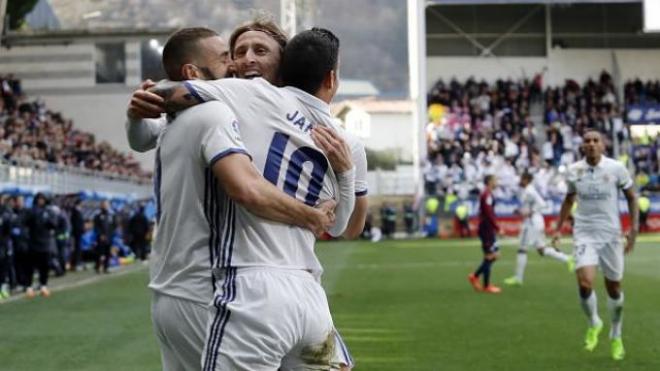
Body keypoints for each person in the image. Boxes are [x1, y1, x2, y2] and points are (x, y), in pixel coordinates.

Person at [128, 27, 344, 371]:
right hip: (213, 288)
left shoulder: (175, 121)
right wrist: (312, 216)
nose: (238, 63)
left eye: (260, 51)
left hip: (169, 288)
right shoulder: (217, 114)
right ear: (193, 73)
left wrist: (136, 112)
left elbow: (140, 136)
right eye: (229, 55)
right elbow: (247, 189)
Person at [552, 130, 638, 361]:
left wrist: (634, 230)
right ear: (582, 146)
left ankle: (616, 333)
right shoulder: (574, 171)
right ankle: (594, 323)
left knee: (614, 289)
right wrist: (559, 228)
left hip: (611, 235)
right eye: (587, 141)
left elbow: (631, 197)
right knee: (585, 283)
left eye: (595, 140)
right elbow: (569, 199)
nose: (591, 144)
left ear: (603, 145)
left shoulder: (616, 168)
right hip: (584, 233)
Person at [504, 172, 574, 286]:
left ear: (526, 180)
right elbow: (530, 206)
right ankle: (568, 259)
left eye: (521, 179)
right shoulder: (527, 190)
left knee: (522, 249)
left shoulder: (530, 191)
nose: (519, 181)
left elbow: (543, 204)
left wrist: (530, 212)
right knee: (541, 250)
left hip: (532, 223)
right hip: (535, 222)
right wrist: (521, 211)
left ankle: (518, 278)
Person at [468, 175, 502, 294]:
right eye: (495, 180)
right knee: (490, 256)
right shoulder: (486, 194)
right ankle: (484, 283)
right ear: (489, 182)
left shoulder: (487, 194)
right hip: (486, 229)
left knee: (495, 255)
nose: (497, 182)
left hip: (488, 228)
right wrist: (496, 227)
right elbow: (488, 213)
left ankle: (477, 278)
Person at [24, 193, 56, 298]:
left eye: (42, 199)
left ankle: (43, 286)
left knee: (44, 266)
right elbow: (24, 223)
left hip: (45, 243)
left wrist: (47, 220)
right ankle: (29, 287)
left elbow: (54, 224)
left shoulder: (49, 211)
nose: (41, 201)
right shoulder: (31, 211)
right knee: (30, 266)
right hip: (33, 242)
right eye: (39, 199)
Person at [9, 196, 29, 290]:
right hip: (15, 242)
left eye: (20, 201)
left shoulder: (27, 212)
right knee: (17, 263)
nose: (18, 203)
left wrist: (22, 232)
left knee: (26, 263)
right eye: (17, 201)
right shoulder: (12, 212)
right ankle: (20, 282)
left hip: (25, 241)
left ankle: (26, 282)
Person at [93, 200, 115, 274]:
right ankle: (98, 267)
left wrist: (111, 234)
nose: (105, 206)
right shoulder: (98, 215)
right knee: (99, 253)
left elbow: (114, 225)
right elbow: (96, 226)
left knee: (107, 253)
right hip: (101, 237)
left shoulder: (111, 215)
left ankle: (106, 267)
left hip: (109, 237)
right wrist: (100, 235)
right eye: (103, 204)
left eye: (106, 204)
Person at [0, 196, 12, 299]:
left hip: (2, 244)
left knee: (3, 266)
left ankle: (3, 288)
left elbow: (8, 231)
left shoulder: (5, 213)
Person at [69, 198, 85, 271]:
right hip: (76, 232)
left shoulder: (79, 211)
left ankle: (78, 262)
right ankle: (76, 264)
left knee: (78, 247)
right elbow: (75, 223)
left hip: (79, 232)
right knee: (77, 248)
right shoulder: (75, 211)